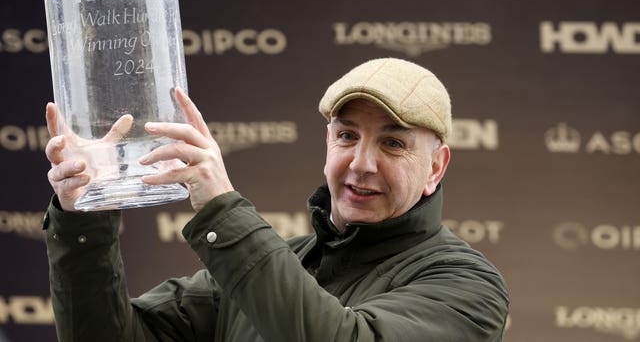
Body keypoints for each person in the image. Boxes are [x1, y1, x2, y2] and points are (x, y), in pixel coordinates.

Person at [43, 57, 509, 341]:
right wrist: (85, 215)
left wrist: (219, 206)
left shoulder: (468, 286)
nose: (362, 163)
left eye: (393, 143)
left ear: (436, 167)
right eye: (347, 135)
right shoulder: (268, 268)